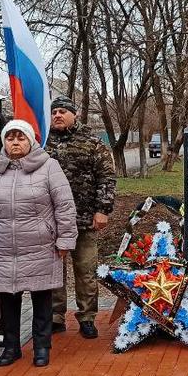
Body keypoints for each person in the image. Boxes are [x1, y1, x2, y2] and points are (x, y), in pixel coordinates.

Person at [0, 120, 77, 367]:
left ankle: (42, 347)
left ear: (30, 141)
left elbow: (64, 205)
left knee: (42, 299)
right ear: (4, 142)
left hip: (40, 245)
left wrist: (65, 239)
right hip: (1, 247)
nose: (15, 143)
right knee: (8, 300)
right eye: (10, 138)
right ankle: (11, 347)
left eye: (20, 138)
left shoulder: (48, 166)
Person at [46, 97, 116, 339]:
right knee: (54, 270)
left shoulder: (91, 142)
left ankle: (87, 317)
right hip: (51, 220)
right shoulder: (42, 143)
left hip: (84, 218)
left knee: (85, 270)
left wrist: (103, 210)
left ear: (74, 115)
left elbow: (106, 177)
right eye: (54, 111)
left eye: (62, 111)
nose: (57, 115)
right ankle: (56, 316)